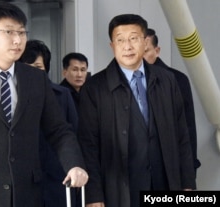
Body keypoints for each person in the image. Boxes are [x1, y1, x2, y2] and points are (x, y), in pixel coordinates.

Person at [0, 2, 88, 207]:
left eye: (22, 33)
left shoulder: (36, 79)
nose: (17, 40)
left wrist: (74, 164)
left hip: (28, 193)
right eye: (8, 32)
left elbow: (59, 130)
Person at [77, 14, 196, 207]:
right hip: (119, 188)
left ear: (145, 41)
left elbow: (183, 135)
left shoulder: (167, 80)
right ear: (112, 45)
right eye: (120, 40)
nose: (127, 46)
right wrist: (93, 194)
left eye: (134, 38)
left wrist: (187, 183)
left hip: (164, 182)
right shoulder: (95, 88)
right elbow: (87, 145)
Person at [19, 39, 80, 207]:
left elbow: (73, 136)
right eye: (27, 67)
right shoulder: (12, 98)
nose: (33, 73)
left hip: (58, 181)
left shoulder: (62, 95)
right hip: (25, 183)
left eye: (38, 67)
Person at [144, 28, 201, 171]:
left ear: (157, 51)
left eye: (146, 51)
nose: (140, 57)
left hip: (169, 164)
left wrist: (189, 170)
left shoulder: (177, 80)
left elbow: (188, 128)